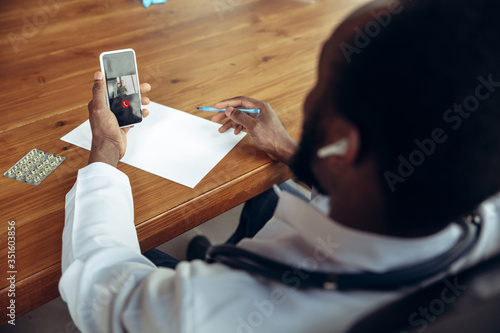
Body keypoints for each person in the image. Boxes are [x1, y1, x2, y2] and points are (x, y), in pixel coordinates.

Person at [59, 0, 500, 332]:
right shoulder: (483, 212)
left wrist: (106, 151)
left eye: (321, 85)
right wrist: (293, 151)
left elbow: (104, 295)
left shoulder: (215, 311)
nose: (308, 100)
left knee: (142, 253)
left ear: (346, 145)